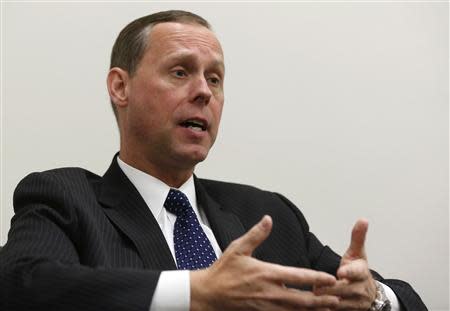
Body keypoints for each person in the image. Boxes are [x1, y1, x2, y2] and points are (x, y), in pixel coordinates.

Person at [0, 10, 427, 311]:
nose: (204, 91)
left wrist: (372, 297)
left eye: (215, 78)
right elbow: (20, 286)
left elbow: (404, 299)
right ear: (120, 87)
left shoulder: (267, 215)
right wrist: (195, 292)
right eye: (181, 71)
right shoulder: (66, 198)